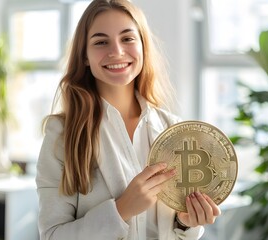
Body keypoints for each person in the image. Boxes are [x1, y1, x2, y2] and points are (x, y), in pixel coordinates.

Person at [36, 0, 221, 239]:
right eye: (101, 42)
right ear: (84, 56)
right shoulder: (62, 133)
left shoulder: (172, 128)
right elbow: (51, 235)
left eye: (127, 38)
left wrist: (185, 224)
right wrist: (121, 209)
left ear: (143, 46)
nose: (117, 51)